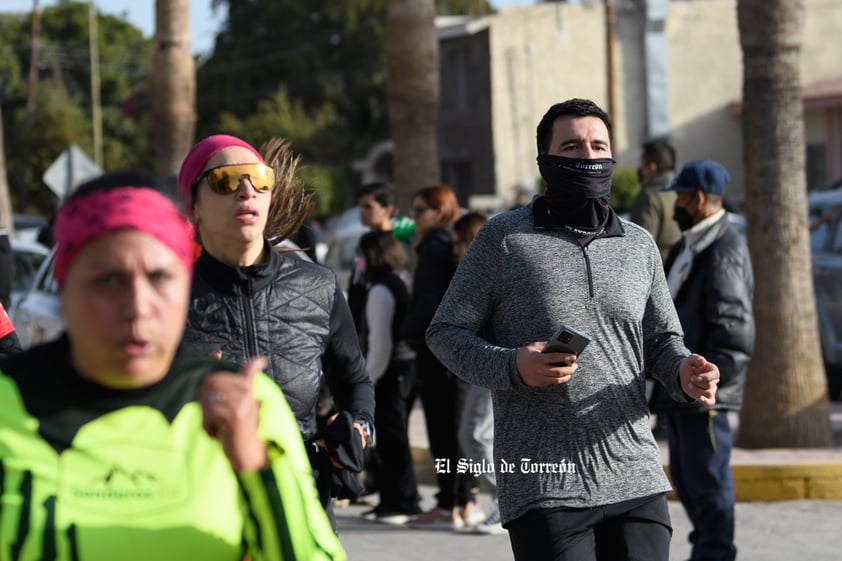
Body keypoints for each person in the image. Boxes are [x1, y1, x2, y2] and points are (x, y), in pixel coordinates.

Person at [425, 98, 721, 561]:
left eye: (598, 145)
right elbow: (444, 332)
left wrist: (684, 371)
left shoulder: (639, 244)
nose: (587, 155)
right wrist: (513, 365)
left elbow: (662, 340)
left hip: (636, 476)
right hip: (544, 483)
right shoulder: (503, 238)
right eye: (572, 145)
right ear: (545, 161)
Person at [0, 170, 345, 561]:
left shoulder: (245, 404)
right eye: (107, 280)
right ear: (63, 286)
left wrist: (259, 471)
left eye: (160, 277)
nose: (137, 307)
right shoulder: (8, 406)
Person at [176, 134, 375, 529]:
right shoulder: (168, 298)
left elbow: (355, 380)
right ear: (194, 205)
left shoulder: (318, 285)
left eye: (258, 178)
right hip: (204, 515)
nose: (246, 190)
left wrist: (357, 427)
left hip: (303, 506)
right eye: (225, 180)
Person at [651, 159, 755, 561]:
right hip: (681, 389)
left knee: (708, 486)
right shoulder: (690, 243)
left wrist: (710, 382)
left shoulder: (724, 249)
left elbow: (732, 329)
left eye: (679, 196)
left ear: (696, 199)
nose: (674, 204)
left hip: (704, 395)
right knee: (689, 482)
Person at [401, 185, 481, 530]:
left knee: (445, 431)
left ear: (440, 211)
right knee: (455, 429)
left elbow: (429, 304)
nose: (414, 217)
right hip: (452, 352)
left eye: (420, 210)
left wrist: (410, 331)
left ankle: (453, 501)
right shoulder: (441, 245)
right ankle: (462, 498)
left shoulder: (435, 248)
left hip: (439, 354)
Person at [354, 230, 422, 524]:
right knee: (395, 436)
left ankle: (401, 501)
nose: (359, 262)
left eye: (361, 255)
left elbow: (380, 346)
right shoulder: (400, 279)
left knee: (393, 438)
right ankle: (394, 499)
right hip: (405, 370)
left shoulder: (380, 290)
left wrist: (366, 382)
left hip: (390, 373)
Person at [451, 211, 503, 535]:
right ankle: (503, 499)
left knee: (475, 435)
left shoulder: (490, 269)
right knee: (475, 435)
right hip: (482, 363)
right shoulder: (472, 272)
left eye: (458, 242)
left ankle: (506, 500)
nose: (454, 249)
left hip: (496, 361)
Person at [347, 182, 399, 331]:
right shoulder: (365, 241)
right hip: (360, 319)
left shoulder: (396, 242)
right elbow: (358, 278)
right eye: (360, 206)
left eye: (368, 207)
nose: (362, 212)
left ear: (388, 209)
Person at [630, 139, 682, 263]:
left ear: (652, 168)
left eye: (642, 166)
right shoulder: (682, 193)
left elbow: (640, 247)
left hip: (660, 273)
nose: (640, 171)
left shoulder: (649, 197)